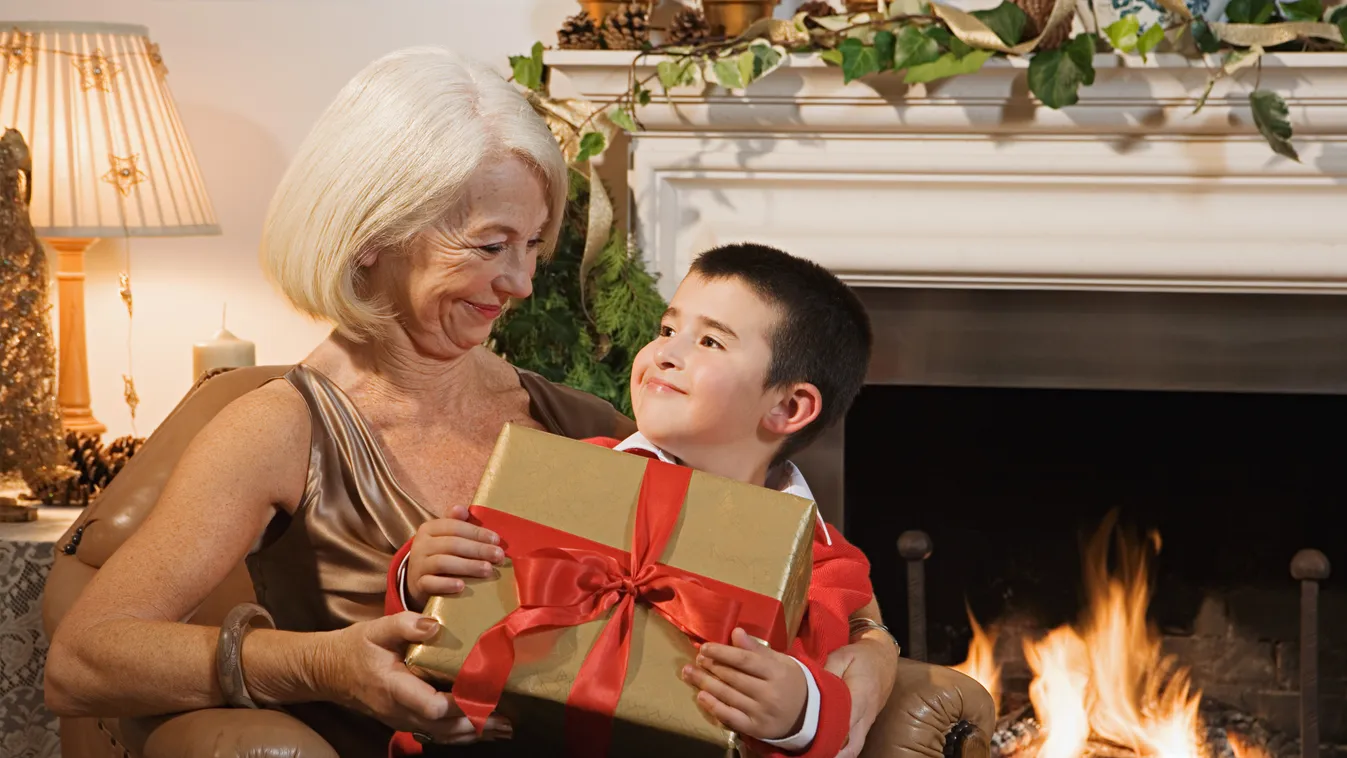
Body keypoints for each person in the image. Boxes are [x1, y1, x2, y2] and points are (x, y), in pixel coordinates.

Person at [42, 47, 898, 757]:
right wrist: (318, 665)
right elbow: (82, 659)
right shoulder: (279, 425)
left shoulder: (583, 426)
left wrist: (843, 700)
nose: (521, 283)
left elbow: (825, 596)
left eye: (533, 245)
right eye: (490, 245)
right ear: (371, 233)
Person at [387, 243, 882, 757]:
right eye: (668, 330)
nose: (665, 352)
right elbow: (469, 591)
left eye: (710, 341)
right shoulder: (567, 471)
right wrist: (417, 574)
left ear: (788, 406)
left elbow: (830, 682)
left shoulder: (825, 561)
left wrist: (799, 711)